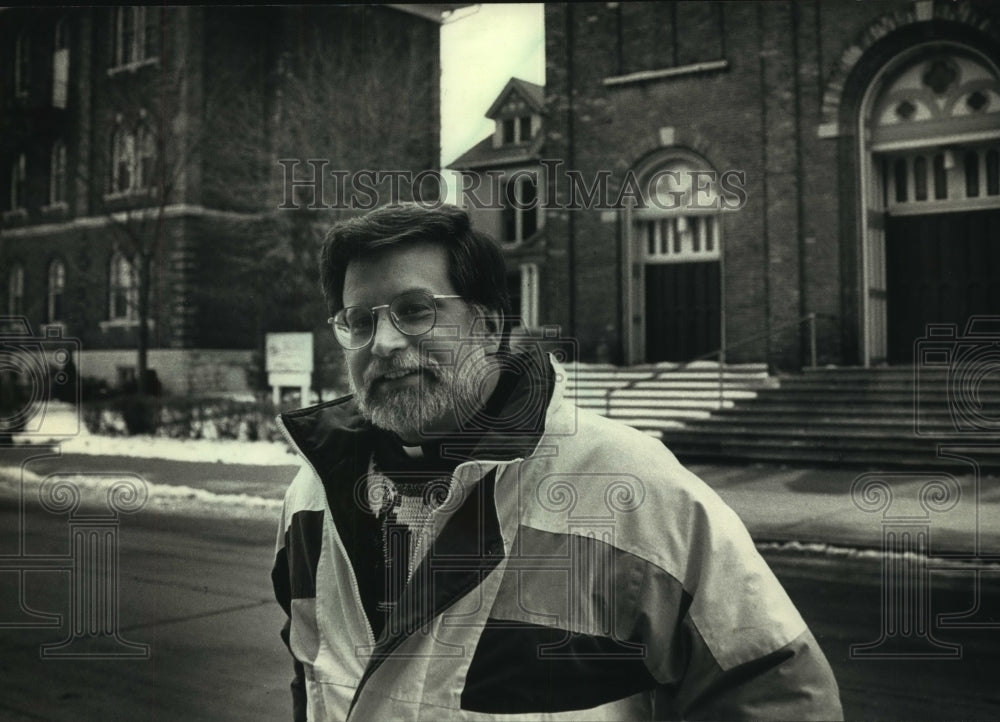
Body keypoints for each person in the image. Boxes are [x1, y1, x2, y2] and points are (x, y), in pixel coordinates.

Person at [271, 203, 843, 721]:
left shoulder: (630, 483)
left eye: (415, 311)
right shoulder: (310, 496)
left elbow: (774, 690)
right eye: (360, 321)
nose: (385, 342)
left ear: (491, 325)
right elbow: (313, 681)